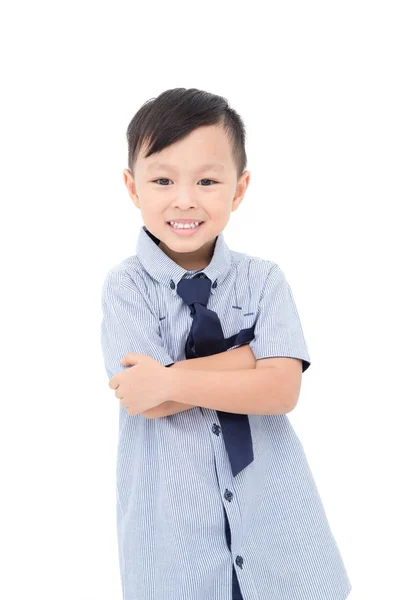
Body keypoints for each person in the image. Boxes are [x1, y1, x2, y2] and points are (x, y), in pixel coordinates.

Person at [100, 87, 352, 600]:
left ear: (238, 190)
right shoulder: (125, 286)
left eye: (208, 181)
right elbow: (145, 399)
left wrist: (170, 376)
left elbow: (281, 391)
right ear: (133, 187)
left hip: (276, 522)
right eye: (163, 179)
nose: (185, 199)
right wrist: (248, 359)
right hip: (175, 537)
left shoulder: (263, 280)